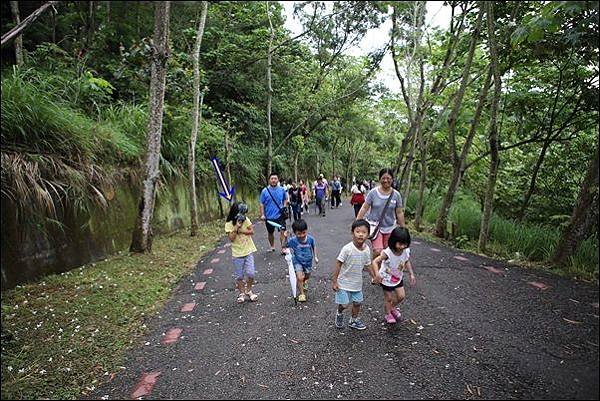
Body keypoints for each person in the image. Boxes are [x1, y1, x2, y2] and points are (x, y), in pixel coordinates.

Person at [356, 168, 406, 262]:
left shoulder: (396, 195)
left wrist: (403, 229)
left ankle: (383, 273)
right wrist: (357, 222)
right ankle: (375, 272)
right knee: (378, 250)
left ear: (392, 179)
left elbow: (399, 212)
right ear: (380, 179)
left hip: (390, 227)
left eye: (388, 178)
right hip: (375, 227)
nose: (386, 180)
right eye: (383, 178)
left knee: (387, 252)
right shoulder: (373, 193)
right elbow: (364, 207)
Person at [332, 219, 372, 330]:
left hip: (357, 283)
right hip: (343, 283)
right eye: (358, 231)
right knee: (344, 305)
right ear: (352, 233)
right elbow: (338, 264)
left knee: (358, 303)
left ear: (368, 235)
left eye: (364, 232)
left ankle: (353, 320)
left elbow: (368, 264)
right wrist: (335, 281)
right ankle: (339, 313)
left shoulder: (367, 249)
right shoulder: (347, 249)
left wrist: (374, 276)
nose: (360, 234)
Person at [371, 227, 416, 324]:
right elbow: (375, 261)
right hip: (386, 279)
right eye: (400, 244)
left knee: (401, 296)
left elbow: (406, 261)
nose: (402, 246)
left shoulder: (405, 251)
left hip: (397, 278)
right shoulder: (388, 253)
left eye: (405, 244)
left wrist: (411, 274)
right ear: (393, 241)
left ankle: (391, 307)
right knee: (389, 298)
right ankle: (388, 313)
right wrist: (377, 274)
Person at [225, 202, 259, 303]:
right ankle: (242, 293)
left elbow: (252, 231)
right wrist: (236, 227)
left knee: (251, 274)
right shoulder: (229, 223)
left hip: (248, 250)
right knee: (239, 276)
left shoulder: (246, 219)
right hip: (237, 253)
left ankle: (249, 290)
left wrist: (242, 231)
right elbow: (231, 238)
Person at [285, 219, 319, 302]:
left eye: (304, 232)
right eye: (299, 234)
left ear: (306, 230)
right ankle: (302, 294)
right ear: (294, 233)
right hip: (297, 261)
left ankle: (304, 282)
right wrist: (285, 237)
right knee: (299, 277)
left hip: (308, 261)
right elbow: (284, 245)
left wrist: (315, 257)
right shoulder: (293, 240)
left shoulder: (310, 239)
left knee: (307, 276)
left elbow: (313, 246)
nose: (302, 235)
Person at [259, 173, 289, 254]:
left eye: (275, 178)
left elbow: (285, 199)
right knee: (270, 232)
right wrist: (262, 214)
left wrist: (284, 207)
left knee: (282, 231)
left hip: (280, 215)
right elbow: (261, 203)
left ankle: (283, 248)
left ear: (278, 180)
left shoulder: (282, 189)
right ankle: (272, 246)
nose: (273, 180)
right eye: (272, 178)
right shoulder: (264, 191)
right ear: (269, 180)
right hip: (269, 217)